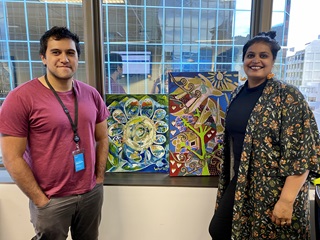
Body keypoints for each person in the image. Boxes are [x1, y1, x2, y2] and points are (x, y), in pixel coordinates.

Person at [0, 26, 109, 240]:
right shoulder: (20, 98)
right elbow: (12, 157)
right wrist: (40, 200)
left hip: (90, 194)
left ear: (77, 57)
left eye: (70, 53)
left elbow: (102, 137)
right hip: (52, 198)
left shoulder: (91, 94)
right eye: (56, 52)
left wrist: (99, 179)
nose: (64, 59)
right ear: (43, 57)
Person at [208, 31, 320, 239]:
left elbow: (303, 152)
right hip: (242, 182)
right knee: (220, 230)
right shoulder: (237, 93)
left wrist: (286, 201)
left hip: (275, 188)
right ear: (243, 60)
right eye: (250, 55)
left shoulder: (287, 95)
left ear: (273, 61)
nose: (256, 60)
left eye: (263, 55)